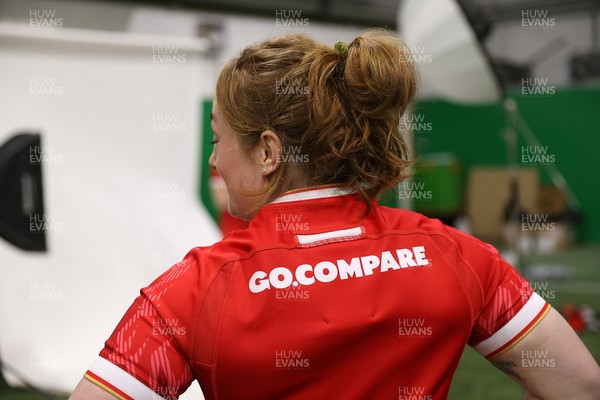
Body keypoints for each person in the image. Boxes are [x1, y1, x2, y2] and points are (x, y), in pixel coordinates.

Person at [70, 29, 600, 400]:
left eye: (218, 138)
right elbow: (580, 387)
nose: (213, 159)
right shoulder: (458, 254)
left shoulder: (192, 290)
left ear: (269, 153)